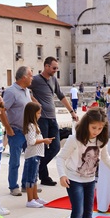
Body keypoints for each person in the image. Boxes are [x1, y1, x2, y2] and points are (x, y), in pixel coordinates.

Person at [30, 56, 78, 186]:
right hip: (42, 119)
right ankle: (44, 177)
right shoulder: (35, 80)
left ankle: (38, 167)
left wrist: (72, 112)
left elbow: (61, 96)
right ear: (46, 66)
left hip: (52, 117)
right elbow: (25, 89)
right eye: (54, 68)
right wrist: (34, 102)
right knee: (44, 147)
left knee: (56, 146)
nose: (56, 70)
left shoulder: (53, 80)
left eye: (57, 68)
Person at [4, 65, 33, 196]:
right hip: (16, 130)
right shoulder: (11, 91)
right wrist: (8, 129)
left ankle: (26, 184)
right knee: (15, 160)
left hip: (28, 130)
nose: (32, 77)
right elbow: (1, 111)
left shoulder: (26, 91)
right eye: (31, 75)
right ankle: (13, 186)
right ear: (24, 77)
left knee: (30, 158)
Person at [23, 101, 53, 208]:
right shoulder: (31, 126)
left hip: (36, 155)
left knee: (34, 177)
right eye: (38, 113)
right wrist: (44, 140)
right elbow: (31, 141)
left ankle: (35, 197)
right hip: (32, 155)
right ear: (32, 114)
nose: (40, 115)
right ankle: (30, 199)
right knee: (30, 178)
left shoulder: (34, 125)